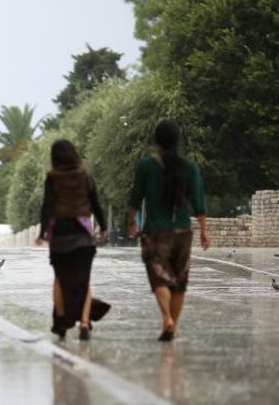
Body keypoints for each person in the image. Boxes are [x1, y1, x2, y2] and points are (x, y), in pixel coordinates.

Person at [128, 120, 209, 342]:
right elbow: (199, 202)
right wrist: (204, 231)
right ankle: (173, 324)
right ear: (177, 140)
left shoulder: (146, 165)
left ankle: (167, 319)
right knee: (180, 282)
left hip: (157, 233)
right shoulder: (189, 167)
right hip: (183, 233)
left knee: (160, 278)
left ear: (157, 141)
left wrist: (131, 221)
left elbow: (136, 196)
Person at [35, 140, 110, 341]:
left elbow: (47, 207)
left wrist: (42, 233)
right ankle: (84, 323)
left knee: (59, 279)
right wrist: (103, 227)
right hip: (83, 237)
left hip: (59, 238)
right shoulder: (85, 176)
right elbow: (95, 204)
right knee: (84, 282)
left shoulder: (52, 178)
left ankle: (60, 322)